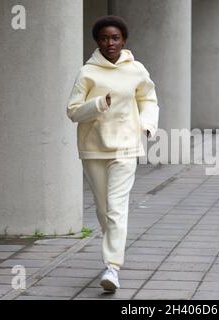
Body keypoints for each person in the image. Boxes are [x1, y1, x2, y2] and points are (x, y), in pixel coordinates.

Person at [66, 15, 159, 292]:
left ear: (124, 40)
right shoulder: (87, 72)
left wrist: (146, 125)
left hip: (126, 146)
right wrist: (97, 104)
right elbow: (72, 111)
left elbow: (148, 99)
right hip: (94, 148)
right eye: (105, 38)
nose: (110, 43)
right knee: (104, 209)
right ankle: (113, 253)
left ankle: (112, 267)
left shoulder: (136, 70)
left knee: (117, 208)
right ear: (97, 41)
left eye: (115, 38)